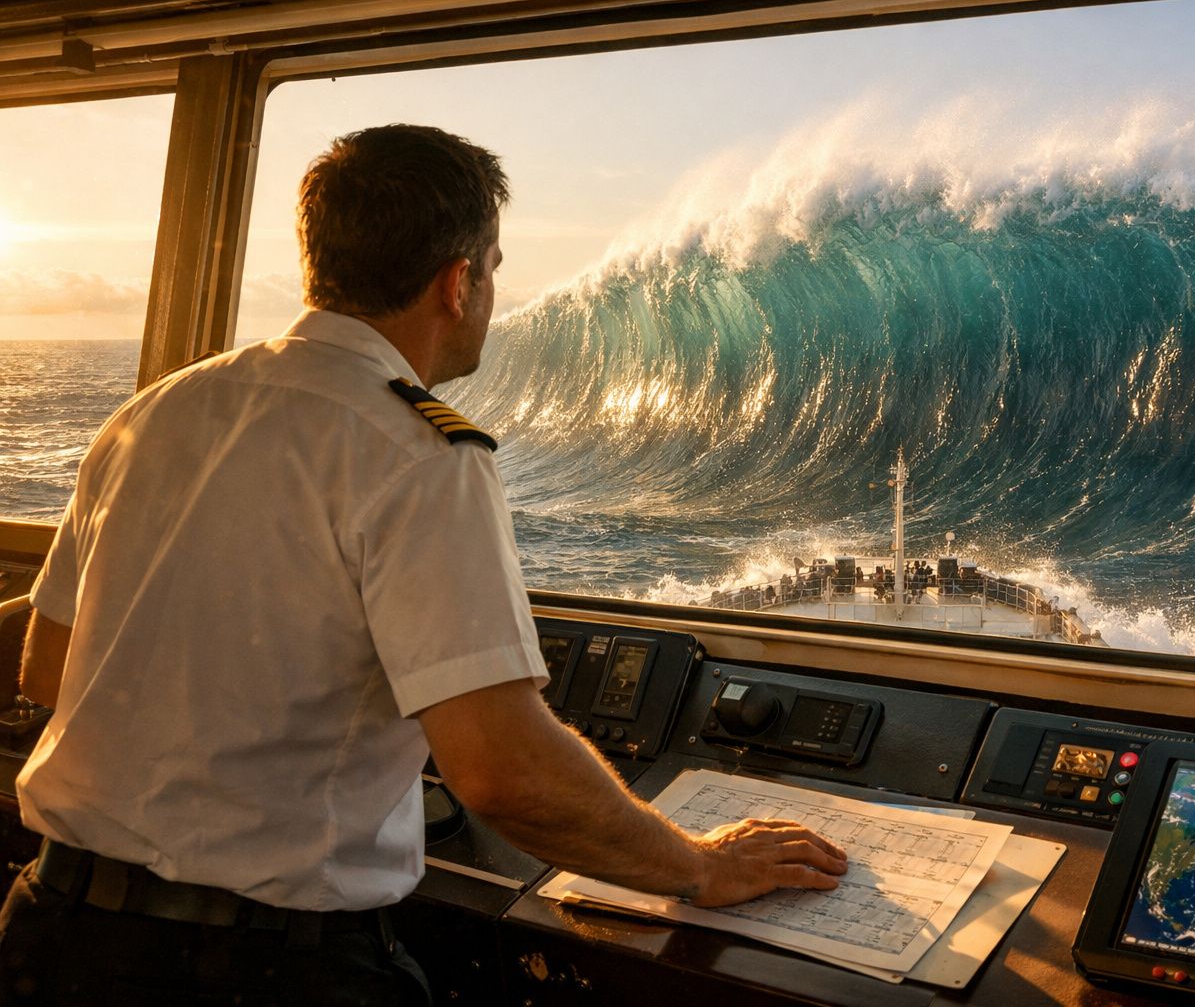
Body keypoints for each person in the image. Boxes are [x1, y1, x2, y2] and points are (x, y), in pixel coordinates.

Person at [0, 125, 845, 1006]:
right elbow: (501, 775)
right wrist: (699, 868)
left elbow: (52, 670)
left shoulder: (152, 413)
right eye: (493, 266)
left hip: (49, 932)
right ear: (459, 281)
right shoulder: (420, 451)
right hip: (260, 973)